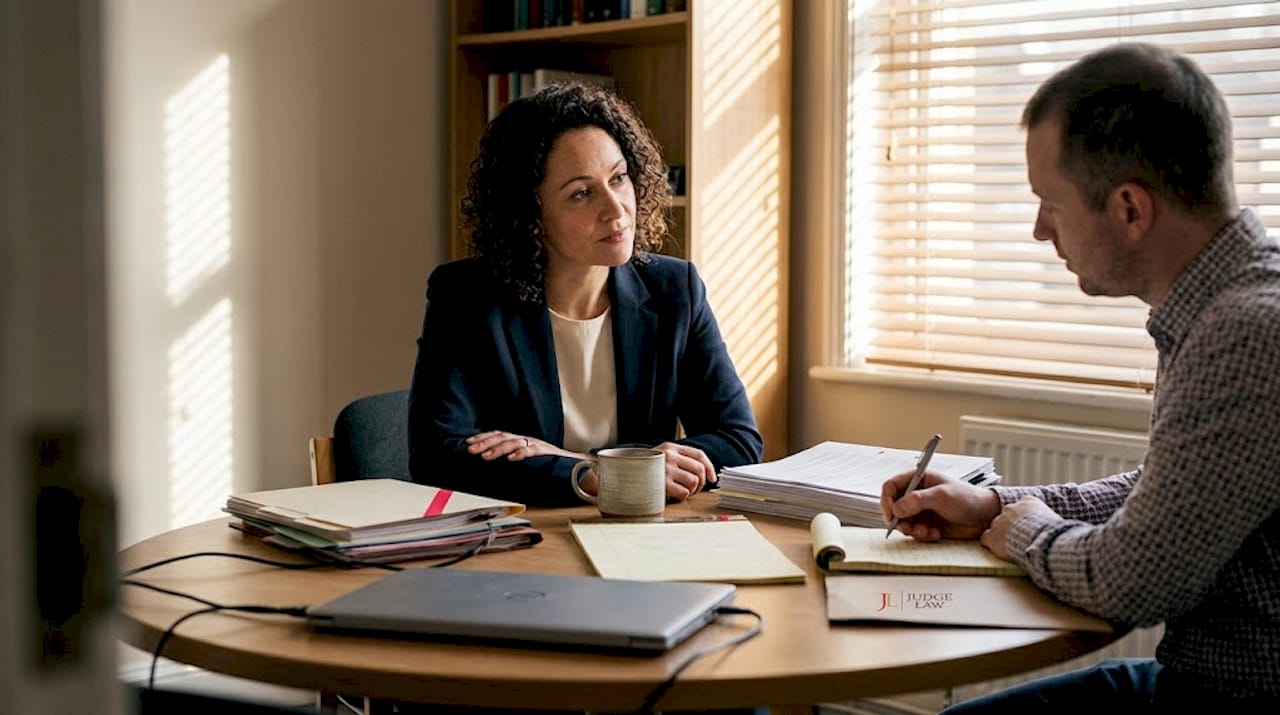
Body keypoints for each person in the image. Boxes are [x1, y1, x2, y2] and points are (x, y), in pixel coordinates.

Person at [880, 43, 1280, 711]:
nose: (1039, 230)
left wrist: (1025, 528)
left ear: (1129, 209)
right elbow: (1177, 488)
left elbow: (1132, 581)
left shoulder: (1244, 334)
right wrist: (993, 506)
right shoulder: (1227, 298)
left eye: (1050, 203)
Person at [407, 81, 763, 507]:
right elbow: (437, 457)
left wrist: (587, 464)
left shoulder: (674, 289)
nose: (616, 209)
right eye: (581, 193)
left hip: (646, 535)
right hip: (527, 541)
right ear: (530, 213)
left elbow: (740, 443)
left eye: (619, 179)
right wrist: (591, 475)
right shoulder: (467, 297)